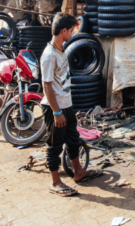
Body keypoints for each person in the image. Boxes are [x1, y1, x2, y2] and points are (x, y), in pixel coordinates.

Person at [41, 12, 103, 197]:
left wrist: (65, 109)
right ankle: (55, 182)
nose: (74, 33)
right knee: (54, 145)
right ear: (63, 30)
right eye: (72, 30)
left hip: (66, 105)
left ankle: (78, 172)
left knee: (73, 139)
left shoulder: (61, 50)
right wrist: (56, 112)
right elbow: (47, 86)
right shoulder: (49, 55)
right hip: (55, 108)